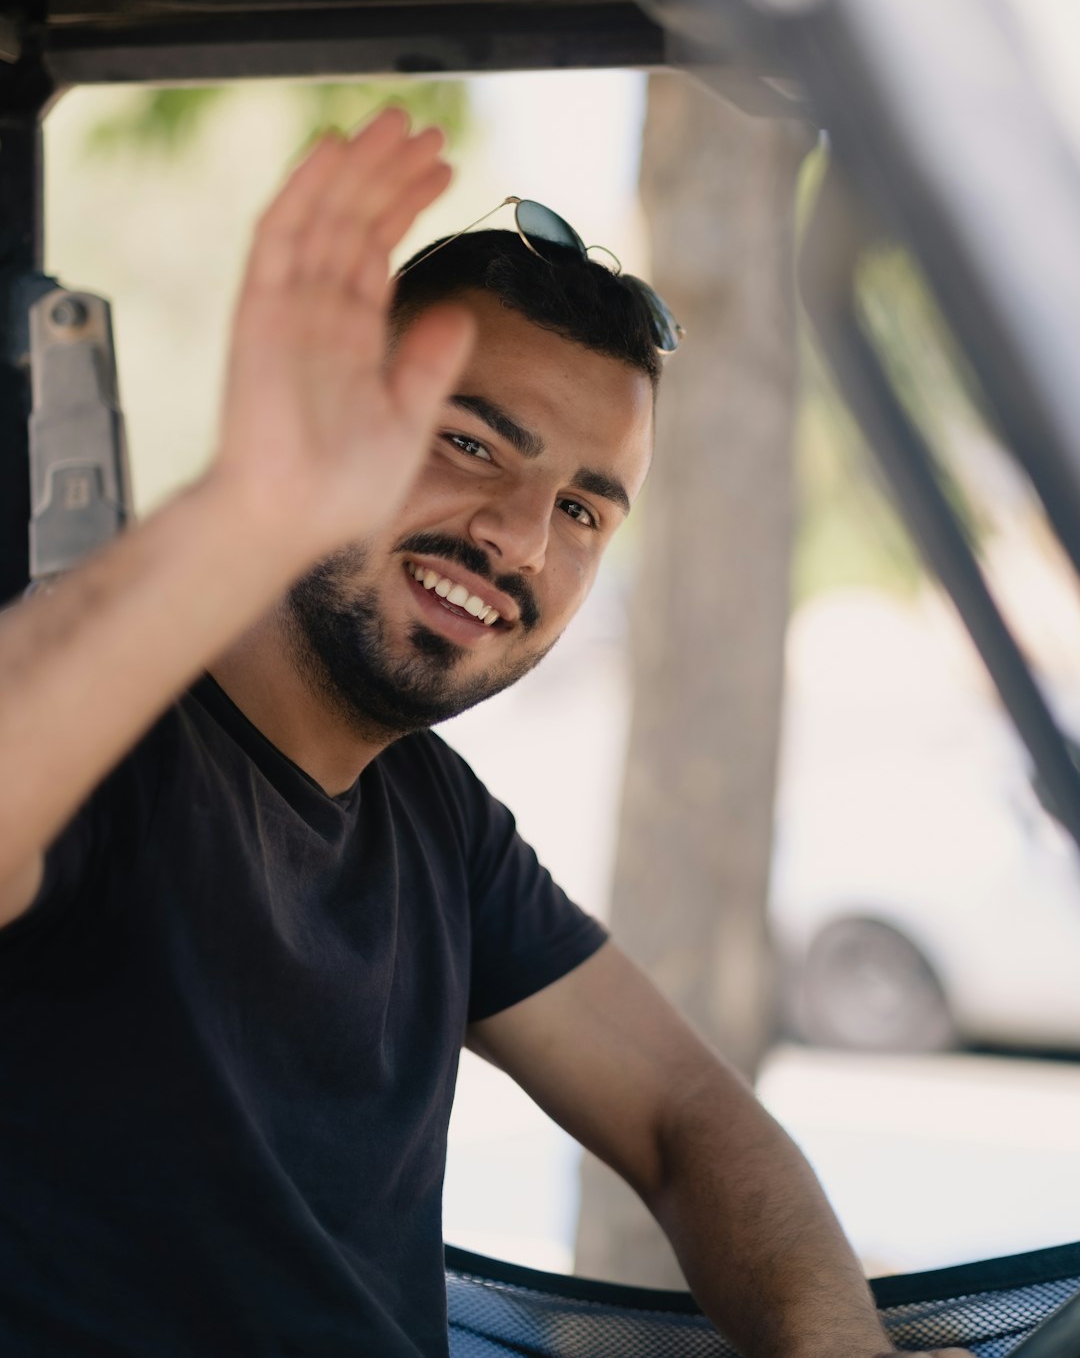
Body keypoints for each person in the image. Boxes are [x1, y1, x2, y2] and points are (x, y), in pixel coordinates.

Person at [0, 110, 968, 1358]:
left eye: (581, 509)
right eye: (467, 443)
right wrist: (241, 513)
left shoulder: (434, 818)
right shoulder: (100, 721)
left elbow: (686, 1116)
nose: (518, 537)